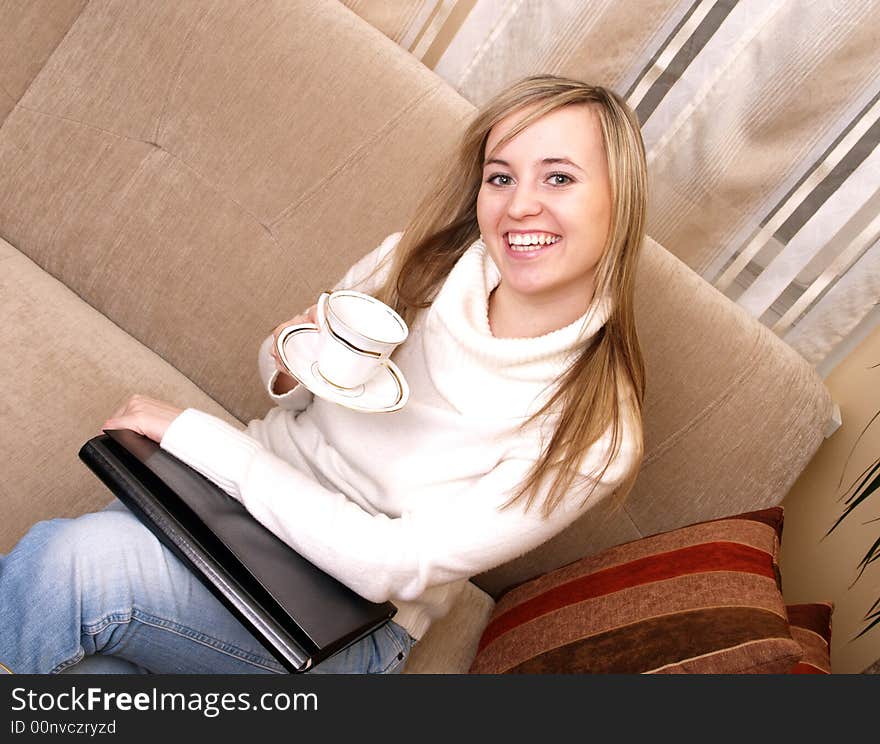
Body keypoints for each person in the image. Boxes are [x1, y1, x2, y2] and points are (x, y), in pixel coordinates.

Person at [0, 74, 647, 675]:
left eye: (559, 179)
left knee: (72, 566)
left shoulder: (596, 428)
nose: (519, 207)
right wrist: (288, 356)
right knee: (89, 663)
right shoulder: (413, 264)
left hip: (343, 623)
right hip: (231, 514)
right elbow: (287, 391)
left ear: (620, 200)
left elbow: (391, 566)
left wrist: (195, 437)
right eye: (500, 178)